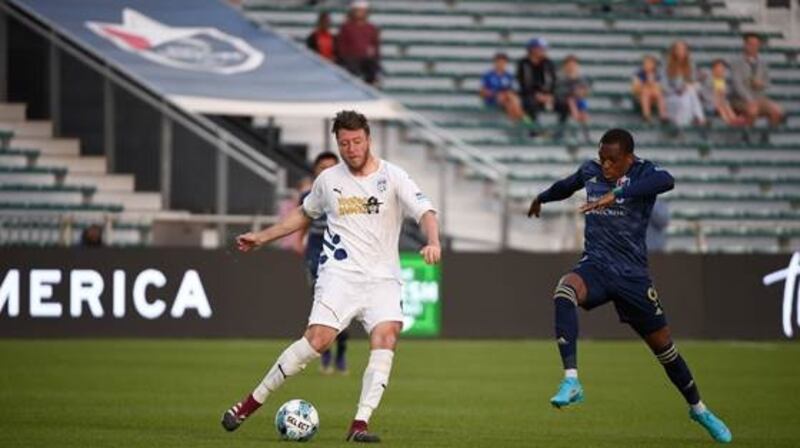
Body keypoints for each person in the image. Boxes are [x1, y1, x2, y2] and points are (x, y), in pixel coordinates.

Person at [221, 110, 441, 443]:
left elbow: (426, 211)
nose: (351, 149)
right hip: (340, 275)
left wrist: (433, 241)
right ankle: (250, 404)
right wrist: (262, 237)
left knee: (386, 337)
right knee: (317, 342)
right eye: (344, 143)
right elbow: (302, 215)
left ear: (368, 139)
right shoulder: (328, 180)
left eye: (356, 141)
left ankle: (359, 425)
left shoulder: (393, 176)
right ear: (337, 144)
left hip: (383, 278)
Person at [526, 129, 732, 444]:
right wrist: (542, 197)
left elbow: (667, 181)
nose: (605, 166)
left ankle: (699, 409)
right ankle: (572, 381)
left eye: (613, 160)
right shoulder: (590, 171)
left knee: (666, 350)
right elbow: (566, 186)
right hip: (595, 266)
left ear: (629, 158)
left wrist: (618, 194)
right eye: (602, 159)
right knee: (564, 291)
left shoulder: (644, 172)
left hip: (633, 277)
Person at [299, 151, 350, 375]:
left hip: (340, 254)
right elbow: (302, 222)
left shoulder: (347, 195)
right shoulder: (309, 196)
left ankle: (340, 354)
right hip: (316, 252)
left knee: (343, 310)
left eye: (331, 166)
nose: (327, 171)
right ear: (315, 171)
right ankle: (326, 355)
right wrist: (300, 242)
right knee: (322, 307)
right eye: (322, 167)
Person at [730, 33, 784, 127]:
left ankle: (767, 136)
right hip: (741, 100)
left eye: (756, 45)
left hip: (759, 98)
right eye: (751, 44)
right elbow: (737, 85)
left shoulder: (763, 63)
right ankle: (747, 136)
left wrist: (761, 84)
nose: (753, 47)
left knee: (777, 111)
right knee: (752, 111)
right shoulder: (736, 63)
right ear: (745, 45)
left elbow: (767, 83)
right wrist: (750, 100)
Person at [336, 0, 381, 85]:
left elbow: (375, 46)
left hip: (366, 61)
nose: (360, 13)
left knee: (373, 69)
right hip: (351, 61)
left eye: (362, 10)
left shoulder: (371, 28)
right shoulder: (346, 27)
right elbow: (341, 47)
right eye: (358, 10)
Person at [516, 38, 557, 130]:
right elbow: (523, 83)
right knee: (531, 104)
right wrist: (536, 95)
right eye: (538, 48)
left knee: (563, 104)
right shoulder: (523, 63)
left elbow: (553, 81)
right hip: (528, 95)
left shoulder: (548, 63)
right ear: (531, 49)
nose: (541, 51)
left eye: (542, 49)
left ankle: (559, 131)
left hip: (546, 95)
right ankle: (534, 129)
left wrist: (548, 94)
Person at [664, 41, 706, 127]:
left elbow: (693, 82)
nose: (681, 51)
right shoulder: (666, 66)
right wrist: (677, 90)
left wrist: (700, 78)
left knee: (688, 94)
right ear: (674, 51)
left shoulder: (691, 64)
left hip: (688, 95)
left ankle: (683, 124)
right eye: (679, 49)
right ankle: (699, 118)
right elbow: (664, 87)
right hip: (672, 97)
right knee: (687, 95)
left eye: (684, 49)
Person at [480, 52, 528, 123]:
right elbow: (482, 92)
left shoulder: (509, 76)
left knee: (511, 104)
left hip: (507, 100)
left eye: (503, 62)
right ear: (495, 62)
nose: (500, 64)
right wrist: (495, 94)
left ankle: (517, 123)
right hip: (493, 99)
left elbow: (513, 90)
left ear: (506, 63)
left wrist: (505, 94)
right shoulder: (488, 75)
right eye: (498, 62)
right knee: (513, 101)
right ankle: (528, 123)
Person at [554, 55, 591, 142]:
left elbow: (585, 91)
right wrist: (573, 92)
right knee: (571, 102)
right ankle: (561, 133)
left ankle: (586, 135)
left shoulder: (581, 78)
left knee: (581, 104)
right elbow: (559, 91)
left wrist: (580, 92)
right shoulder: (560, 77)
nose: (571, 67)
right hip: (561, 101)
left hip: (576, 102)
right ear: (564, 66)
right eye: (569, 64)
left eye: (573, 65)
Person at [705, 59, 747, 127]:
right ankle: (728, 120)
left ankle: (734, 118)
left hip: (720, 101)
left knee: (726, 104)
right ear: (713, 70)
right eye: (718, 69)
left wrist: (722, 93)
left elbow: (722, 95)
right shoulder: (709, 79)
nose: (720, 71)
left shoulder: (720, 80)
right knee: (720, 106)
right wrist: (718, 97)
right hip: (710, 103)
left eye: (722, 69)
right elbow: (710, 95)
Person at [631, 55, 668, 123]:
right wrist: (646, 85)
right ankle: (646, 115)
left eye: (650, 63)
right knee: (646, 92)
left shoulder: (657, 74)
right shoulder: (638, 74)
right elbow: (635, 88)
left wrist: (653, 85)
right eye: (646, 63)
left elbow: (661, 88)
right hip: (640, 98)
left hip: (654, 97)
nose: (648, 65)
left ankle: (663, 115)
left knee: (658, 93)